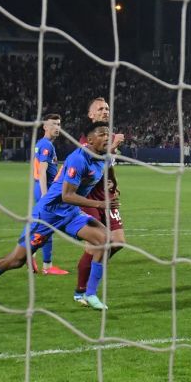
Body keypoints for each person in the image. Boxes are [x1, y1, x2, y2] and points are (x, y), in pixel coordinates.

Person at [0, 120, 115, 310]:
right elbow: (67, 196)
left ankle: (88, 294)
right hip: (47, 215)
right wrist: (99, 203)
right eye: (102, 134)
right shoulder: (78, 159)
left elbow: (105, 170)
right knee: (16, 260)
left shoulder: (105, 157)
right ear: (89, 140)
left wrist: (111, 185)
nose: (107, 137)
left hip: (70, 214)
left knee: (105, 240)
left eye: (108, 133)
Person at [73, 98, 127, 305]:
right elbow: (92, 162)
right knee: (95, 245)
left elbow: (108, 166)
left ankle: (92, 273)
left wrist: (114, 183)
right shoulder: (87, 138)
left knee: (118, 241)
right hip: (89, 197)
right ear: (91, 115)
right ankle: (81, 291)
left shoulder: (110, 136)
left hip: (107, 196)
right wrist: (113, 147)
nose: (105, 111)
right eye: (100, 109)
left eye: (107, 108)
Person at [29, 113, 69, 275]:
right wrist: (46, 195)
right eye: (53, 124)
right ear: (45, 126)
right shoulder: (46, 145)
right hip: (45, 189)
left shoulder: (42, 144)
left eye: (59, 124)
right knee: (48, 227)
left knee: (44, 226)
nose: (57, 127)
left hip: (40, 188)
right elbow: (42, 171)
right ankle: (46, 266)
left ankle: (31, 254)